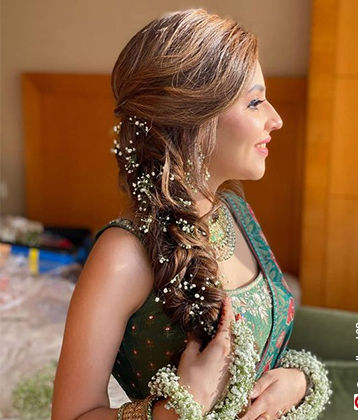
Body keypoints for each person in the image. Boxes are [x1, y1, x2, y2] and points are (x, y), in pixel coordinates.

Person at [51, 8, 332, 420]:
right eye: (255, 102)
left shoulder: (235, 213)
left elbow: (269, 353)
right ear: (193, 118)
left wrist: (297, 381)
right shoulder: (123, 255)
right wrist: (179, 408)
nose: (276, 119)